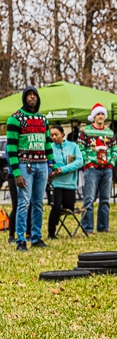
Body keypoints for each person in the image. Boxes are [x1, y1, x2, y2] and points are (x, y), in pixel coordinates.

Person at [6, 86, 57, 251]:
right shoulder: (15, 119)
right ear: (24, 98)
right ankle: (21, 240)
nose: (32, 97)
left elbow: (48, 143)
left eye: (34, 95)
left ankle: (36, 237)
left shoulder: (43, 119)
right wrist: (16, 172)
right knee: (23, 203)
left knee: (38, 203)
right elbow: (11, 148)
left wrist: (52, 165)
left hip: (42, 165)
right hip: (24, 165)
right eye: (29, 95)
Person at [78, 103, 117, 234]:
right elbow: (81, 148)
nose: (100, 116)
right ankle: (87, 227)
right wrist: (88, 163)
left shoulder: (109, 132)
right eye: (98, 114)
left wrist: (111, 163)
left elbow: (114, 149)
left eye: (102, 114)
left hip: (106, 168)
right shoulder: (85, 131)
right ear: (94, 116)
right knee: (89, 198)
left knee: (105, 199)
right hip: (92, 168)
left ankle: (103, 227)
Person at [48, 124, 83, 239]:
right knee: (56, 207)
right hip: (56, 184)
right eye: (51, 135)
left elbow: (79, 162)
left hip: (70, 184)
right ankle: (51, 232)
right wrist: (55, 169)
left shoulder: (73, 146)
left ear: (62, 134)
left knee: (69, 208)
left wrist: (61, 169)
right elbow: (49, 162)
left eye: (56, 134)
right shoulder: (50, 148)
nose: (53, 137)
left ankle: (56, 224)